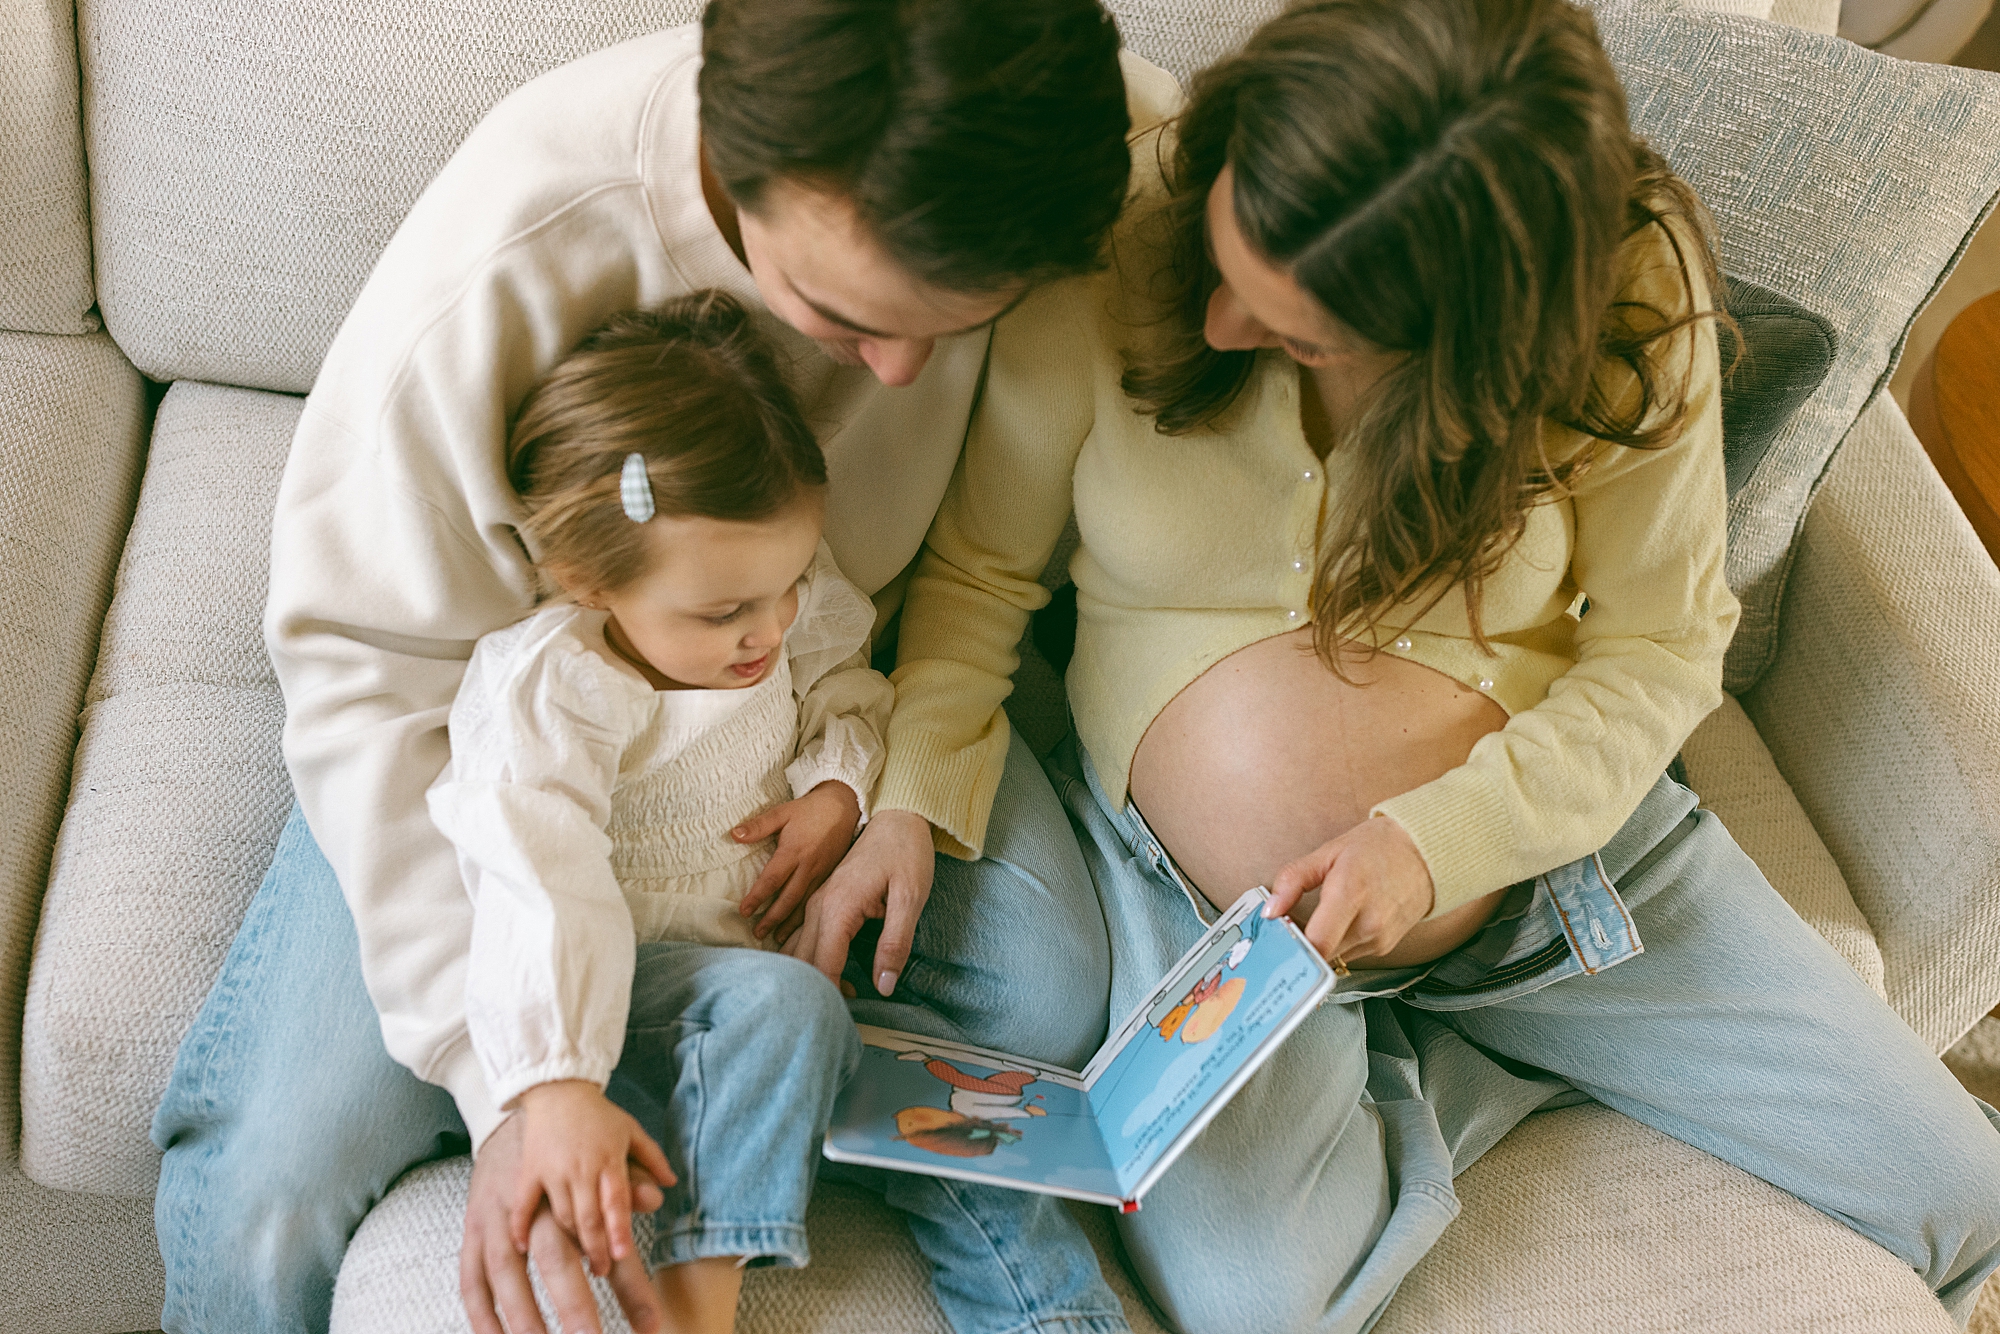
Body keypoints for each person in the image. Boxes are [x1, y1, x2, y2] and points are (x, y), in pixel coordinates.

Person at [884, 1, 2000, 1330]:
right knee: (1256, 1307)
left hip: (1558, 879)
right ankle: (1444, 1063)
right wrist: (913, 789)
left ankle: (1487, 1032)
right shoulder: (1130, 225)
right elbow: (977, 576)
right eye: (1230, 264)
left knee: (1963, 1193)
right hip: (1222, 929)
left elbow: (1657, 641)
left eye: (1304, 333)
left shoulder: (1629, 296)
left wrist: (1427, 850)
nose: (1226, 325)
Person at [148, 2, 1179, 1331]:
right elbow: (370, 678)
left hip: (803, 706)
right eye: (846, 316)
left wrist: (880, 786)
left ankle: (749, 1032)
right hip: (497, 743)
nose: (902, 370)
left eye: (955, 324)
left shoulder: (1049, 131)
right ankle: (658, 1021)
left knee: (1043, 984)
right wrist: (519, 1080)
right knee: (271, 1187)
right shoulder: (512, 249)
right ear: (733, 159)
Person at [427, 293, 884, 1331]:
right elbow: (539, 876)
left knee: (811, 1013)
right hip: (604, 985)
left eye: (789, 582)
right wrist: (559, 1079)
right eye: (723, 612)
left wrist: (834, 789)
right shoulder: (554, 686)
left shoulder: (781, 603)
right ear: (593, 582)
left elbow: (843, 681)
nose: (767, 626)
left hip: (746, 957)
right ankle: (690, 1308)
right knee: (784, 1008)